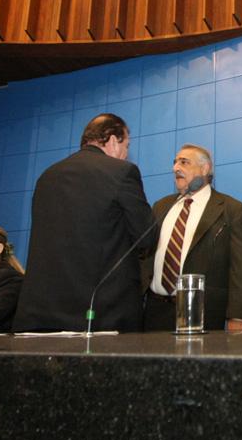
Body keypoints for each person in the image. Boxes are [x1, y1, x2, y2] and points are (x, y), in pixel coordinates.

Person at [13, 113, 153, 332]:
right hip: (102, 311)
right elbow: (146, 236)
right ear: (113, 140)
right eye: (126, 146)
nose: (126, 154)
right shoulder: (122, 172)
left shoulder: (47, 176)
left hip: (42, 312)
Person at [143, 145, 242, 332]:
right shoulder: (161, 206)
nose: (175, 168)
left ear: (205, 168)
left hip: (203, 313)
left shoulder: (232, 210)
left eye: (184, 162)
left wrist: (238, 316)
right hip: (154, 312)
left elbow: (240, 269)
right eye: (175, 162)